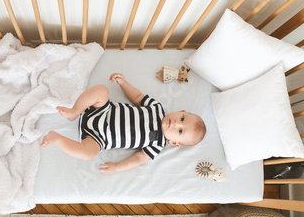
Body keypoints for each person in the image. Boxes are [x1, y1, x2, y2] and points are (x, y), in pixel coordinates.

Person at [40, 73, 206, 175]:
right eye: (182, 118)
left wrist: (117, 167)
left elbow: (138, 158)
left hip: (98, 138)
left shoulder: (157, 144)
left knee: (88, 153)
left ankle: (57, 138)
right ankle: (74, 112)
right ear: (181, 111)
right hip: (102, 110)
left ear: (175, 143)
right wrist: (123, 83)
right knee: (101, 90)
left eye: (180, 131)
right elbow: (137, 98)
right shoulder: (157, 108)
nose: (176, 124)